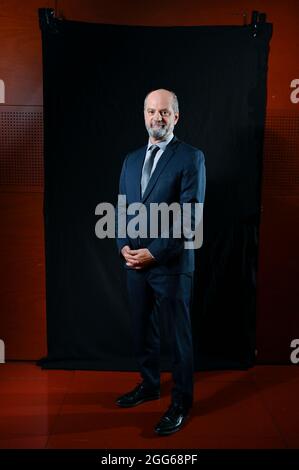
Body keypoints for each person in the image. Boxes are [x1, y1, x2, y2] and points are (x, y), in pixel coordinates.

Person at [115, 88, 206, 435]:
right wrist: (123, 246)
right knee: (142, 330)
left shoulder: (190, 157)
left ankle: (181, 402)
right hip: (135, 264)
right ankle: (149, 384)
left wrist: (153, 252)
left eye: (165, 112)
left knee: (177, 338)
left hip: (170, 264)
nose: (158, 118)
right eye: (152, 111)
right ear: (144, 115)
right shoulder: (131, 159)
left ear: (176, 117)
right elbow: (122, 209)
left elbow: (189, 218)